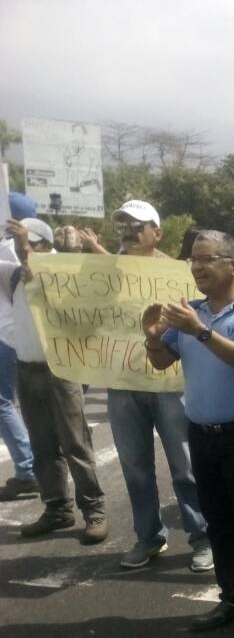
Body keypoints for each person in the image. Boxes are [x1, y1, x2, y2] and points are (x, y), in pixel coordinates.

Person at [142, 230, 234, 638]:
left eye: (206, 259)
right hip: (202, 432)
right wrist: (153, 336)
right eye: (192, 260)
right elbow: (160, 362)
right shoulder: (189, 313)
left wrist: (202, 331)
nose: (197, 267)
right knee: (219, 523)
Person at [108, 200, 211, 571]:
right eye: (123, 225)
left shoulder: (180, 274)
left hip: (169, 384)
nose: (129, 231)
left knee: (185, 466)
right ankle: (148, 536)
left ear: (158, 232)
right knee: (134, 467)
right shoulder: (102, 274)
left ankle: (202, 537)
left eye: (137, 225)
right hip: (120, 383)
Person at [0, 218, 108, 543]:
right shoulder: (14, 273)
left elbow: (43, 285)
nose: (21, 250)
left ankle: (95, 511)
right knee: (43, 445)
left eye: (30, 243)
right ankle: (57, 508)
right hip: (27, 369)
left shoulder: (60, 271)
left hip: (61, 370)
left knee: (74, 443)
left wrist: (25, 248)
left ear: (46, 246)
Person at [0, 195, 38, 501]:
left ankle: (28, 470)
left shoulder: (9, 249)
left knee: (1, 402)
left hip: (7, 335)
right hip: (12, 334)